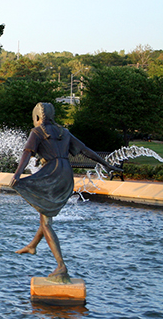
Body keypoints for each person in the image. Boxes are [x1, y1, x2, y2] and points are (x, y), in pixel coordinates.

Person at [10, 102, 121, 283]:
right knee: (45, 213)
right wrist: (106, 164)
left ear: (37, 117)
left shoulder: (37, 132)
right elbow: (85, 150)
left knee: (46, 222)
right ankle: (32, 245)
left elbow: (26, 154)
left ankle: (61, 266)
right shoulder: (64, 132)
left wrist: (17, 175)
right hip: (66, 173)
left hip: (51, 173)